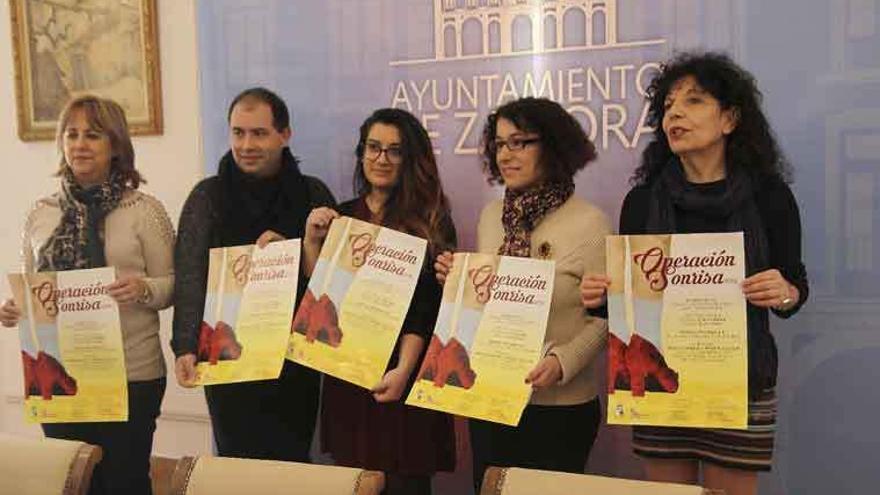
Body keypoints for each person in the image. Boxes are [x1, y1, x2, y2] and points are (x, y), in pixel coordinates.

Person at [580, 52, 809, 495]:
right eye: (667, 106)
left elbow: (794, 291)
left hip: (739, 382)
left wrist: (784, 291)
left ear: (729, 119)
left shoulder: (769, 197)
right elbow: (633, 307)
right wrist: (603, 297)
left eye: (694, 101)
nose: (676, 113)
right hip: (660, 381)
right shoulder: (642, 202)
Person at [0, 95, 174, 495]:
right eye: (71, 134)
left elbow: (174, 284)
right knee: (70, 483)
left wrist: (144, 288)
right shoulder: (40, 214)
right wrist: (15, 309)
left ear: (115, 145)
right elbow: (33, 287)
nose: (79, 144)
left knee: (124, 483)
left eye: (93, 135)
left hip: (132, 373)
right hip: (60, 373)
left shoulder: (144, 211)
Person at [435, 97, 610, 491]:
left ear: (552, 145)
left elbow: (607, 318)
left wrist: (563, 361)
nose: (505, 155)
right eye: (498, 144)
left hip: (560, 409)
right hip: (492, 400)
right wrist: (458, 284)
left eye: (520, 143)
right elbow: (487, 303)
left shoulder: (591, 222)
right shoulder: (490, 218)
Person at [171, 87, 335, 461]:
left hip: (295, 361)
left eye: (258, 133)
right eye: (238, 132)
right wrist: (183, 345)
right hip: (227, 359)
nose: (246, 144)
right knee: (236, 465)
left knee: (292, 463)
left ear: (285, 135)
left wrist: (291, 253)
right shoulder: (207, 197)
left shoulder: (313, 193)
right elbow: (191, 274)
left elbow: (331, 282)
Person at [304, 108, 456, 494]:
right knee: (356, 483)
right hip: (348, 377)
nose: (381, 159)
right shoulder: (341, 216)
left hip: (404, 376)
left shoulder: (431, 218)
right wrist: (311, 243)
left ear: (410, 159)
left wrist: (403, 371)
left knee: (406, 484)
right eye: (373, 148)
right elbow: (317, 295)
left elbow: (426, 311)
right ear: (361, 152)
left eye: (394, 151)